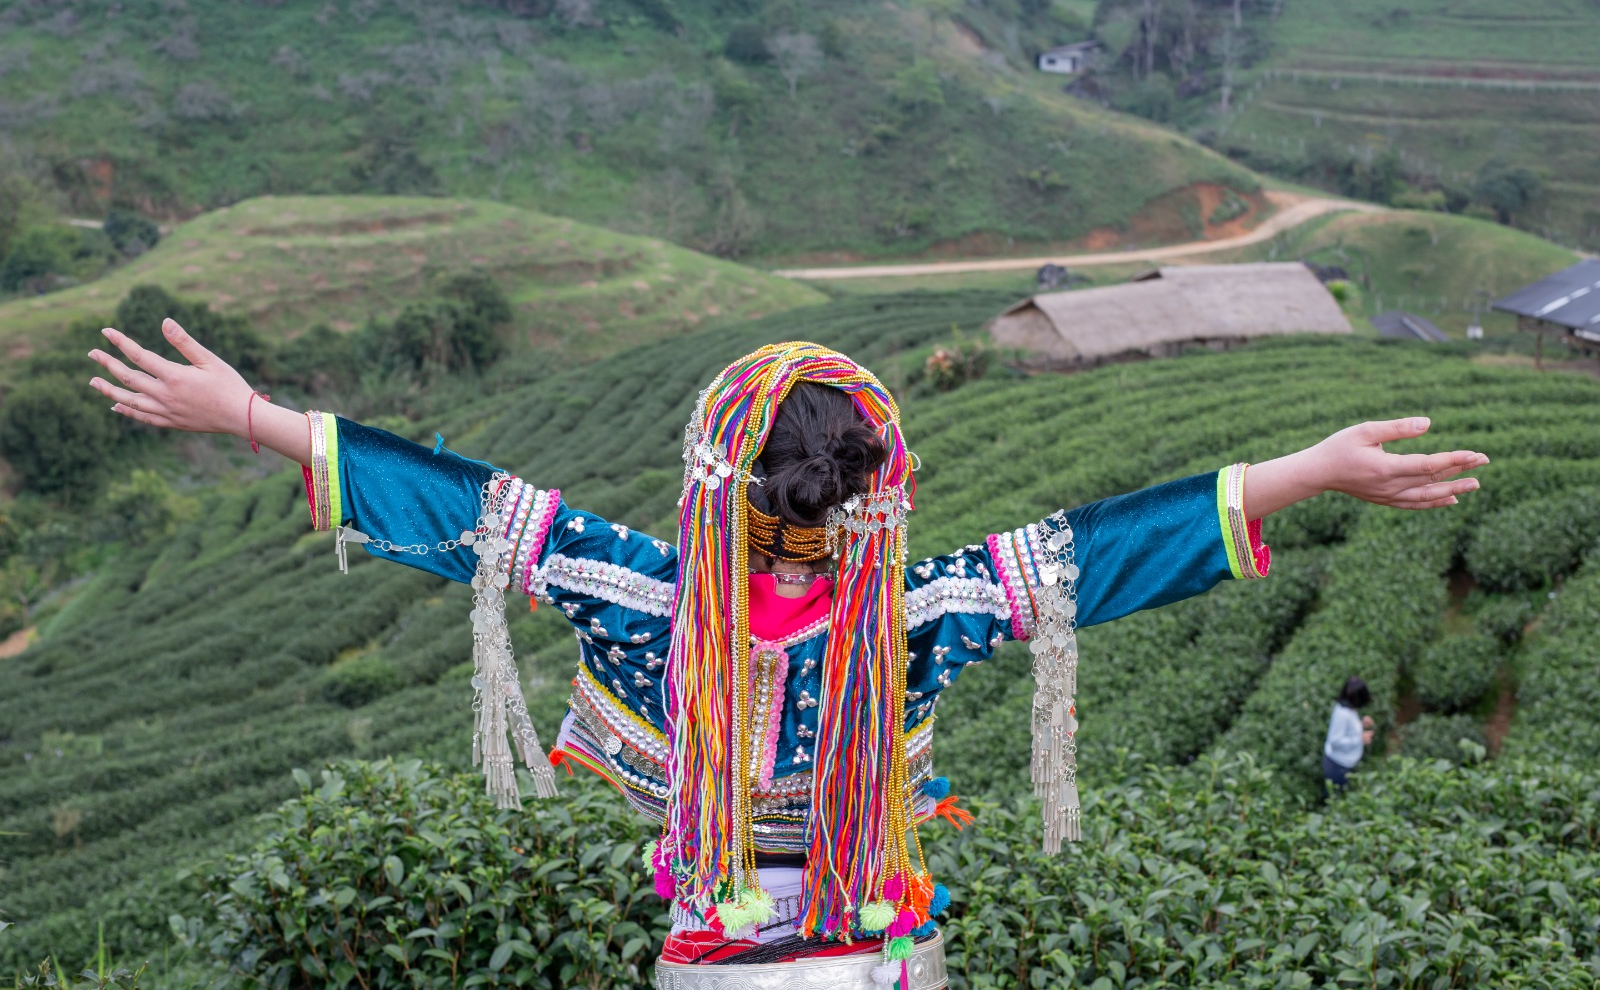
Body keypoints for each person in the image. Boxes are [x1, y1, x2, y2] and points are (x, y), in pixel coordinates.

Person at [87, 321, 1487, 988]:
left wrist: (254, 413)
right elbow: (1100, 553)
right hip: (879, 947)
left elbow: (470, 510)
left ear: (717, 484)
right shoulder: (913, 618)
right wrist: (1310, 464)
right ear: (871, 494)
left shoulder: (633, 592)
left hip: (706, 941)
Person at [1324, 676, 1376, 792]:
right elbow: (1334, 741)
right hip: (1338, 766)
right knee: (1336, 795)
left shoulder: (1347, 708)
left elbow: (1347, 728)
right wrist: (1360, 739)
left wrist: (1361, 724)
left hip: (1343, 763)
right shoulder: (1343, 714)